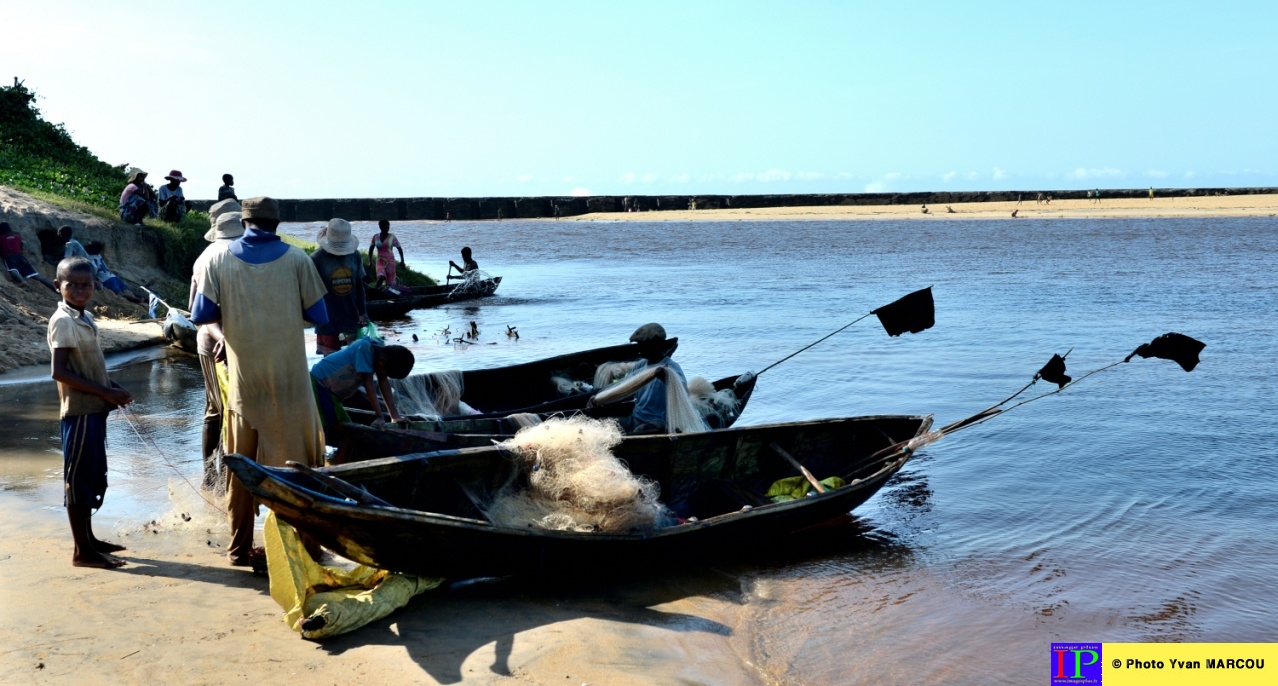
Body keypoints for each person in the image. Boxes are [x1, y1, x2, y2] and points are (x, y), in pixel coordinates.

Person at [191, 196, 330, 567]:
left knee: (241, 467)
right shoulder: (298, 260)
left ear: (244, 222)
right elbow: (319, 314)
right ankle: (309, 549)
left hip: (244, 388)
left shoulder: (217, 259)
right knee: (301, 471)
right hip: (292, 389)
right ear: (277, 223)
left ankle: (238, 548)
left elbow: (201, 313)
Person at [48, 256, 134, 568]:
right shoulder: (64, 320)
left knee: (94, 477)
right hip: (79, 412)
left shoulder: (84, 317)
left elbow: (87, 367)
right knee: (78, 481)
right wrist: (104, 391)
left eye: (87, 285)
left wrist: (113, 387)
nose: (81, 290)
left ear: (95, 287)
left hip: (94, 409)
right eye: (73, 285)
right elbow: (59, 373)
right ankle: (81, 552)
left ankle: (90, 540)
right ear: (59, 287)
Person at [188, 205, 242, 492]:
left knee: (217, 410)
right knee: (224, 410)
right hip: (218, 344)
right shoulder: (232, 256)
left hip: (210, 344)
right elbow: (201, 313)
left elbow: (191, 307)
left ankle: (214, 476)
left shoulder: (203, 256)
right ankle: (218, 477)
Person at [310, 338, 414, 432]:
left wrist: (394, 416)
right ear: (383, 362)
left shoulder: (381, 354)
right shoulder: (363, 348)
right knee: (344, 429)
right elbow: (369, 385)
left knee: (342, 428)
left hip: (333, 394)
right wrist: (379, 417)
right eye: (384, 372)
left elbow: (384, 383)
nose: (381, 374)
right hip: (320, 385)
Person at [611, 323, 687, 435]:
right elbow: (625, 387)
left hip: (660, 422)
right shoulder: (640, 366)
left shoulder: (671, 367)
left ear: (655, 345)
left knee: (640, 431)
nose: (638, 348)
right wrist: (601, 398)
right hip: (636, 417)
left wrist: (666, 378)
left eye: (642, 345)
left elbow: (683, 392)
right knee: (611, 424)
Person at [312, 218, 368, 355]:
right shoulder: (316, 259)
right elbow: (310, 292)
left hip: (351, 317)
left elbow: (360, 287)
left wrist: (363, 312)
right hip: (326, 320)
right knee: (331, 364)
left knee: (356, 360)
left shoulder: (355, 256)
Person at [1, 221, 58, 292]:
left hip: (10, 257)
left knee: (13, 270)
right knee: (37, 276)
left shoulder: (1, 238)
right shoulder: (17, 236)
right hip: (21, 257)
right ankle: (55, 288)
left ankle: (22, 281)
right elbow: (21, 246)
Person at [367, 219, 405, 289]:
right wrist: (370, 261)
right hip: (380, 261)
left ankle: (388, 296)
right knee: (381, 277)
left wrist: (402, 261)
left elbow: (399, 248)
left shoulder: (392, 237)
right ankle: (375, 293)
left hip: (390, 262)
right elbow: (371, 248)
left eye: (388, 227)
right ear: (380, 227)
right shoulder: (376, 237)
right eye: (385, 227)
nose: (387, 229)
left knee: (390, 284)